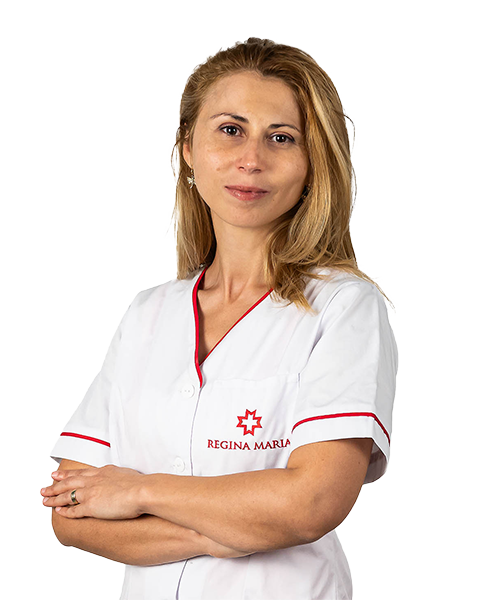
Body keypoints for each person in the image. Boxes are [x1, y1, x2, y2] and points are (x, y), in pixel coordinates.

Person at [41, 37, 398, 600]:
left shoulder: (343, 306)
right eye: (230, 130)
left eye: (281, 137)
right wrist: (231, 531)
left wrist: (139, 492)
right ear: (188, 148)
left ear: (313, 162)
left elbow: (312, 504)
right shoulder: (147, 314)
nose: (251, 159)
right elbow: (71, 515)